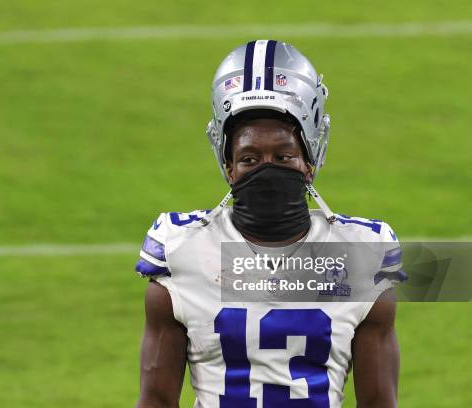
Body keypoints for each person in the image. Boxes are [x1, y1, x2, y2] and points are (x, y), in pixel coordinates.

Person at [135, 40, 406, 408]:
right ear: (228, 166)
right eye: (249, 158)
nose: (267, 169)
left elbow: (378, 403)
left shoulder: (359, 256)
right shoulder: (182, 252)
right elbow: (156, 401)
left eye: (283, 156)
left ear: (309, 161)